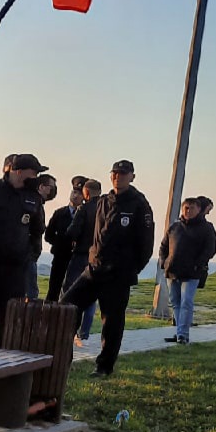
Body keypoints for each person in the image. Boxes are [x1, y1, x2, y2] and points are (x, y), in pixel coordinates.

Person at [62, 160, 154, 377]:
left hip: (118, 274)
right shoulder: (103, 201)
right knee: (66, 307)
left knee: (111, 322)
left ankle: (104, 366)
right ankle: (61, 355)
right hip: (94, 268)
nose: (117, 177)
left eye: (123, 174)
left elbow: (146, 245)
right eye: (114, 173)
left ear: (132, 176)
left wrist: (129, 269)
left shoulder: (139, 204)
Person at [0, 154, 47, 348]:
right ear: (19, 171)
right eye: (34, 172)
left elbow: (37, 231)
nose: (36, 176)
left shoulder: (33, 198)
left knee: (8, 321)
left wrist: (31, 255)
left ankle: (1, 369)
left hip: (15, 269)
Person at [160, 198, 216, 344]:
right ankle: (180, 332)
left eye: (191, 208)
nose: (188, 211)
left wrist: (197, 264)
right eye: (186, 208)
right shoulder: (175, 227)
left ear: (198, 209)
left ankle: (183, 335)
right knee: (175, 302)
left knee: (187, 302)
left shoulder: (207, 228)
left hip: (192, 273)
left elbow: (210, 249)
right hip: (172, 271)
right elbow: (163, 246)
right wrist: (164, 262)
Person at [66, 178, 102, 342]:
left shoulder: (84, 208)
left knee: (72, 292)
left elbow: (73, 231)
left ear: (86, 192)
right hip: (97, 257)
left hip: (81, 254)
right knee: (91, 295)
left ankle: (69, 330)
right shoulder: (106, 208)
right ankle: (85, 332)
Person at [44, 186, 82, 303]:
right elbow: (48, 235)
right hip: (60, 257)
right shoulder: (60, 213)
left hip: (76, 258)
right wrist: (60, 243)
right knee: (53, 291)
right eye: (74, 192)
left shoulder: (85, 214)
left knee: (72, 292)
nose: (75, 196)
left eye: (79, 193)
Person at [24, 173, 57, 297]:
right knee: (31, 292)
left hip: (29, 252)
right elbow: (38, 228)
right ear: (42, 187)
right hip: (28, 252)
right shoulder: (34, 203)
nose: (52, 191)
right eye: (51, 187)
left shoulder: (35, 202)